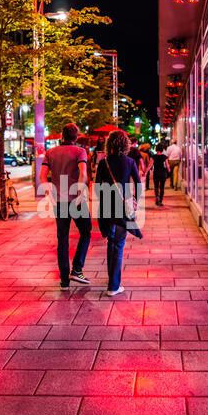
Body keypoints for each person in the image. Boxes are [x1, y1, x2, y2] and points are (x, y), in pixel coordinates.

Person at [40, 123, 92, 291]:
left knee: (62, 238)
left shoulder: (50, 152)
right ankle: (77, 268)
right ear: (76, 137)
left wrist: (50, 192)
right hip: (75, 200)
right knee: (86, 231)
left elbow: (42, 176)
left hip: (59, 201)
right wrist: (79, 190)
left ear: (62, 136)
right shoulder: (79, 151)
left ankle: (64, 280)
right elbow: (83, 173)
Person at [96, 131, 142, 297]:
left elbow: (97, 186)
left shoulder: (104, 162)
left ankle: (112, 279)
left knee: (111, 242)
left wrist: (104, 199)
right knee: (118, 244)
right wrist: (135, 200)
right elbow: (138, 182)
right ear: (125, 144)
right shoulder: (130, 162)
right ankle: (113, 286)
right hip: (123, 207)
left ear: (109, 145)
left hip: (107, 207)